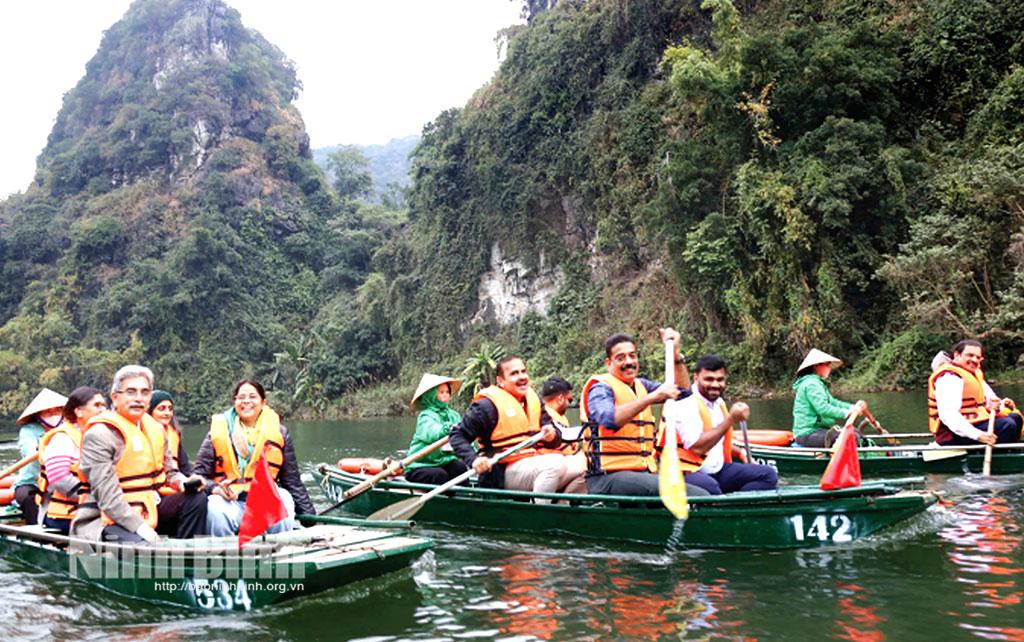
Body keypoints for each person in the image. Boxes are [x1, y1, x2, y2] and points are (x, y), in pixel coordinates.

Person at [71, 366, 207, 542]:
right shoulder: (99, 434)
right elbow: (107, 497)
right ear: (115, 397)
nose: (138, 398)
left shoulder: (157, 429)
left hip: (150, 507)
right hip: (106, 517)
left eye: (144, 392)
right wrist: (140, 527)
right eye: (131, 392)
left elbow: (171, 473)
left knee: (196, 500)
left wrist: (183, 483)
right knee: (141, 543)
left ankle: (187, 553)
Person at [579, 329, 708, 497]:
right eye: (621, 358)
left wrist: (675, 355)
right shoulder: (600, 388)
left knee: (700, 488)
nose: (629, 362)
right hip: (606, 477)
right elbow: (609, 419)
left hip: (641, 472)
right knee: (698, 495)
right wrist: (652, 397)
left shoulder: (642, 385)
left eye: (632, 356)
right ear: (608, 362)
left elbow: (682, 392)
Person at [192, 380, 316, 537]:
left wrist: (309, 518)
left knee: (283, 498)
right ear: (234, 402)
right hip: (230, 502)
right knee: (215, 506)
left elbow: (292, 481)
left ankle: (277, 549)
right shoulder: (217, 433)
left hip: (264, 499)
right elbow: (198, 476)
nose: (246, 401)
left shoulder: (280, 433)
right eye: (241, 397)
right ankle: (225, 551)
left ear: (263, 402)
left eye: (252, 397)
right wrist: (216, 489)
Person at [449, 356, 581, 502]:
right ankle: (538, 511)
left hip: (532, 462)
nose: (522, 377)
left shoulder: (534, 401)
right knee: (555, 464)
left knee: (585, 466)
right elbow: (457, 435)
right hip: (500, 472)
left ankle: (562, 507)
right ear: (500, 381)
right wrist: (474, 460)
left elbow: (554, 439)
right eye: (514, 373)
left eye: (523, 371)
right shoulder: (486, 406)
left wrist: (552, 436)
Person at [659, 355, 778, 494]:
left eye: (720, 380)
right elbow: (697, 448)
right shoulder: (684, 403)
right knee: (711, 488)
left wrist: (740, 452)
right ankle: (722, 502)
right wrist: (731, 419)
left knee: (768, 475)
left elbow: (717, 441)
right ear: (696, 377)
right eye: (709, 379)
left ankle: (737, 504)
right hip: (684, 471)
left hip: (716, 471)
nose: (715, 385)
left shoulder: (718, 403)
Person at [36, 387, 106, 533]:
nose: (103, 410)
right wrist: (97, 499)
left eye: (104, 405)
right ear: (79, 411)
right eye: (97, 405)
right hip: (65, 515)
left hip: (97, 509)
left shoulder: (101, 436)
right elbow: (59, 479)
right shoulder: (63, 438)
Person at [927, 339, 1022, 445]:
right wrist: (978, 435)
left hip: (974, 422)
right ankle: (1003, 453)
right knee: (1007, 425)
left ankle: (1010, 450)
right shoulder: (949, 377)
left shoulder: (973, 373)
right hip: (951, 433)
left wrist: (1002, 404)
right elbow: (949, 415)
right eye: (970, 355)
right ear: (957, 355)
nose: (974, 360)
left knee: (1015, 418)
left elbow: (990, 400)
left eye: (978, 357)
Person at [791, 349, 868, 447]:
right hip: (807, 433)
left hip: (819, 430)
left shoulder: (817, 383)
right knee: (851, 437)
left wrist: (852, 407)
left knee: (856, 433)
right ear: (816, 366)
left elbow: (832, 402)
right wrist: (847, 413)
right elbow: (823, 409)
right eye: (827, 364)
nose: (829, 368)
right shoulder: (811, 384)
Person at [14, 388, 68, 525]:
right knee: (29, 499)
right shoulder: (29, 430)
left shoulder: (68, 428)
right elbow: (29, 449)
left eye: (57, 411)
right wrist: (45, 450)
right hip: (32, 483)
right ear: (39, 415)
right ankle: (36, 534)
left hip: (61, 481)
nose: (53, 415)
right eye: (48, 412)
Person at [403, 374, 469, 485]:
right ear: (432, 395)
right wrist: (449, 428)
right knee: (439, 475)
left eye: (447, 392)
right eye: (441, 392)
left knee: (460, 468)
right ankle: (444, 496)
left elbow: (464, 436)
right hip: (420, 465)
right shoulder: (425, 416)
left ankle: (464, 494)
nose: (445, 395)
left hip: (443, 462)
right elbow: (432, 433)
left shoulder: (454, 415)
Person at [539, 376, 587, 494]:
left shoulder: (560, 417)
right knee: (591, 464)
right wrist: (593, 429)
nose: (569, 404)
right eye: (569, 400)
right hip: (551, 464)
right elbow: (565, 435)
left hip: (564, 461)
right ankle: (564, 501)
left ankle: (566, 500)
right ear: (560, 399)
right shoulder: (546, 415)